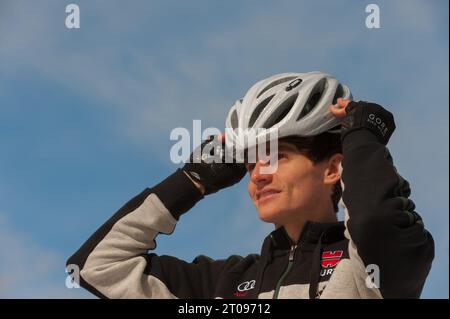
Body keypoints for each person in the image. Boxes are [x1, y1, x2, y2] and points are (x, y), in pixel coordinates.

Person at [67, 72, 434, 299]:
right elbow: (96, 266)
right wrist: (193, 179)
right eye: (252, 161)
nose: (257, 174)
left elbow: (377, 223)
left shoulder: (365, 267)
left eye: (277, 156)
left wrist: (362, 139)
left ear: (332, 169)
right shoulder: (221, 284)